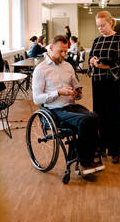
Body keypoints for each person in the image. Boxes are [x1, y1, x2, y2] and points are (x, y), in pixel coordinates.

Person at [32, 35, 104, 175]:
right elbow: (36, 99)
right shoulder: (41, 69)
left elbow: (76, 87)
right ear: (51, 48)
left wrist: (77, 93)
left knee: (94, 116)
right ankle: (83, 162)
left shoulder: (68, 66)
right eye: (61, 51)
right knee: (85, 120)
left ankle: (81, 155)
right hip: (53, 110)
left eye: (66, 51)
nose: (64, 54)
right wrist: (58, 92)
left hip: (70, 106)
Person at [89, 11, 120, 164]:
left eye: (103, 25)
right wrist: (92, 62)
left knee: (113, 116)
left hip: (113, 83)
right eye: (98, 26)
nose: (100, 28)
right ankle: (100, 146)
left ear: (111, 23)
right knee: (98, 115)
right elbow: (91, 59)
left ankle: (115, 150)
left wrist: (103, 65)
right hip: (97, 82)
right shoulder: (97, 40)